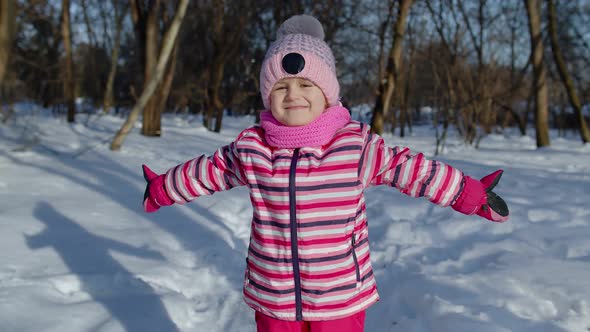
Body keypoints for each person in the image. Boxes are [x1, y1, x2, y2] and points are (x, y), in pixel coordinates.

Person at [141, 15, 509, 332]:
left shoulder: (354, 147)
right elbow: (209, 170)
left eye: (305, 85)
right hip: (273, 297)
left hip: (340, 297)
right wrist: (161, 189)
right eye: (280, 87)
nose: (292, 95)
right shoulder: (253, 149)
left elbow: (411, 169)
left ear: (328, 92)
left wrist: (469, 194)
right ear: (268, 96)